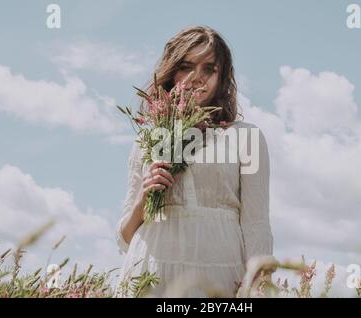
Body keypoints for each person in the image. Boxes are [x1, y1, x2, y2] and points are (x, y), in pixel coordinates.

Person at [114, 25, 273, 298]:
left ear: (221, 77)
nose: (196, 78)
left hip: (219, 274)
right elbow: (125, 236)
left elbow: (256, 224)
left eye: (209, 69)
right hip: (151, 272)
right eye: (186, 67)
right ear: (171, 72)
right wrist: (144, 195)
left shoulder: (246, 137)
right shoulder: (151, 137)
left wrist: (257, 289)